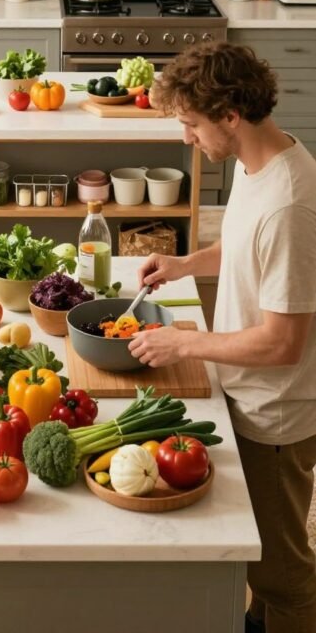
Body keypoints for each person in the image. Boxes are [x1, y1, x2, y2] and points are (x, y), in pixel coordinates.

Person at [128, 42, 316, 633]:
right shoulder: (256, 163)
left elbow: (281, 344)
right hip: (244, 393)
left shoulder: (290, 205)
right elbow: (244, 250)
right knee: (259, 557)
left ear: (230, 116)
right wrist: (188, 264)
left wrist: (182, 344)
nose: (187, 138)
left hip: (275, 414)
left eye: (191, 124)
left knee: (283, 575)